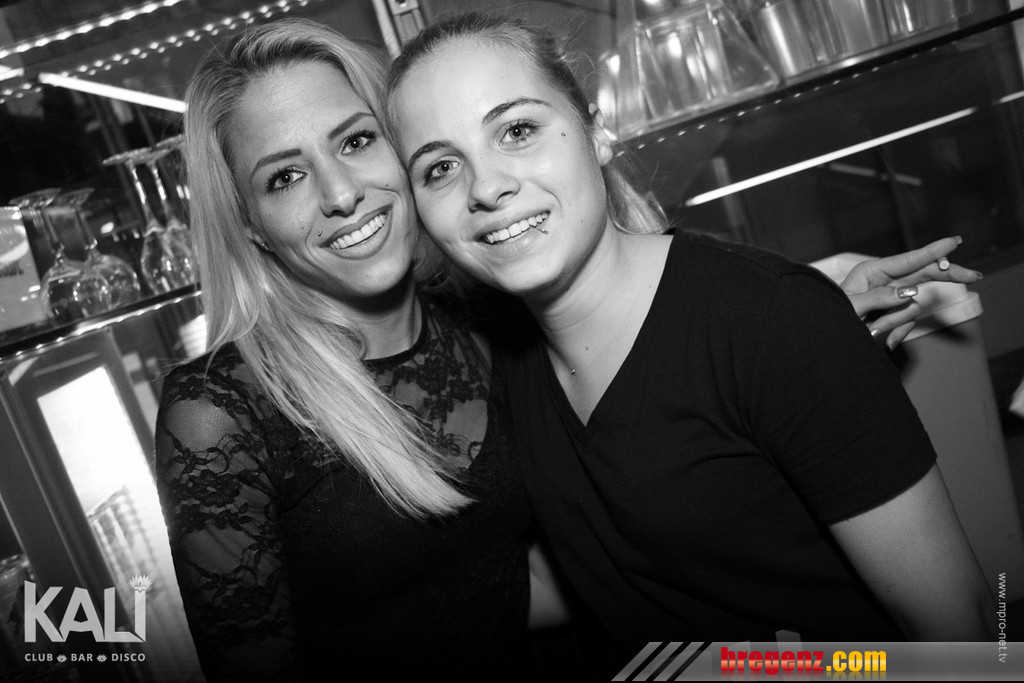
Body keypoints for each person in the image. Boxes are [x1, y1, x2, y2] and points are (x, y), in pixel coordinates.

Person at [383, 9, 994, 656]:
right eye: (440, 168)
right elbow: (609, 577)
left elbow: (969, 637)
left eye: (517, 130)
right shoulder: (506, 357)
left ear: (596, 134)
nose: (486, 186)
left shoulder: (772, 323)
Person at [153, 19, 534, 682]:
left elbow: (504, 585)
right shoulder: (220, 413)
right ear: (251, 225)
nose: (341, 194)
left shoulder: (488, 318)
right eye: (285, 177)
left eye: (356, 141)